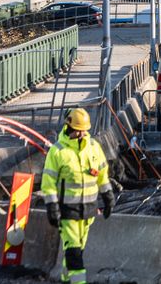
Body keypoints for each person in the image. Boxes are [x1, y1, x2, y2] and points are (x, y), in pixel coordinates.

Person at [41, 108, 113, 284]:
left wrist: (108, 196)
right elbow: (48, 183)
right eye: (78, 130)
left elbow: (102, 175)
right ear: (69, 127)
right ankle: (78, 282)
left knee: (78, 249)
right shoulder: (58, 152)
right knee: (73, 250)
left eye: (84, 130)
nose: (81, 134)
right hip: (67, 210)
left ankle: (66, 278)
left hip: (88, 210)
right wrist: (52, 207)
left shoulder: (94, 148)